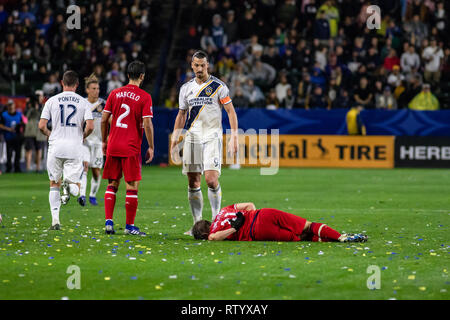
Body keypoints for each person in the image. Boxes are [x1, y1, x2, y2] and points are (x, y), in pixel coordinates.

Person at [170, 50, 238, 235]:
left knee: (211, 179)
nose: (199, 69)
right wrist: (176, 137)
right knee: (193, 182)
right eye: (196, 65)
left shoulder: (218, 86)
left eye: (203, 65)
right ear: (192, 66)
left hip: (212, 136)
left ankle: (216, 221)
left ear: (207, 66)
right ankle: (197, 225)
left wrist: (234, 137)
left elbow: (230, 111)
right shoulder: (185, 88)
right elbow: (182, 114)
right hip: (192, 137)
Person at [100, 60, 154, 236]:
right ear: (142, 76)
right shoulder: (145, 96)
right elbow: (147, 122)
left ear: (127, 75)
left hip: (113, 144)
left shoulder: (114, 93)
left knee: (112, 184)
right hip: (130, 146)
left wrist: (104, 141)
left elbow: (103, 119)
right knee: (132, 186)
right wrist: (151, 146)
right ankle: (130, 227)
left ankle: (109, 222)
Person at [38, 70, 94, 230]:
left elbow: (41, 126)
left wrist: (49, 134)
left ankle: (55, 220)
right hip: (74, 146)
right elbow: (90, 126)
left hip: (56, 146)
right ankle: (69, 187)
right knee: (75, 187)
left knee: (54, 183)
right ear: (77, 85)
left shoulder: (52, 101)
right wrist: (82, 136)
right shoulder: (83, 102)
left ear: (62, 83)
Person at [191, 202, 368, 243]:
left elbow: (214, 238)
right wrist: (247, 216)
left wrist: (236, 228)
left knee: (302, 237)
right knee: (307, 225)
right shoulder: (225, 210)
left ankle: (339, 239)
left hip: (257, 232)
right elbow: (250, 205)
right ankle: (341, 237)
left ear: (204, 233)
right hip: (265, 214)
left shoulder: (213, 233)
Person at [78, 74, 106, 206]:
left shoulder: (103, 104)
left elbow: (109, 121)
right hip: (85, 142)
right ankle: (82, 195)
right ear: (87, 90)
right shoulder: (81, 103)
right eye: (93, 88)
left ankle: (92, 195)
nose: (96, 91)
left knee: (96, 172)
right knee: (85, 167)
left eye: (98, 88)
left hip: (99, 142)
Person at [23, 91, 46, 172]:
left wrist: (38, 108)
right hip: (30, 130)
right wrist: (32, 107)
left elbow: (45, 116)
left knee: (39, 149)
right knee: (29, 149)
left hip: (39, 131)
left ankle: (38, 168)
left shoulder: (43, 107)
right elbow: (26, 116)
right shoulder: (29, 106)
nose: (39, 98)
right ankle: (28, 168)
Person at [0, 99, 24, 173]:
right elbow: (0, 125)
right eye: (9, 105)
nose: (11, 107)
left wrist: (21, 128)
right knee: (9, 154)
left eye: (12, 105)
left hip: (17, 137)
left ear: (14, 105)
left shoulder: (19, 114)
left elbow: (24, 122)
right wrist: (8, 129)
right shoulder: (4, 115)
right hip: (8, 136)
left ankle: (17, 168)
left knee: (17, 153)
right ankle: (9, 168)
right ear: (7, 106)